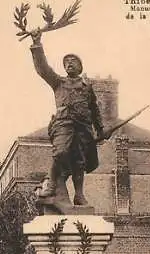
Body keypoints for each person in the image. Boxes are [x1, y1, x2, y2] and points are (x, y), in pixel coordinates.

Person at [29, 28, 105, 206]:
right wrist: (37, 45)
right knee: (60, 152)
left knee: (79, 161)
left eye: (73, 61)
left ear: (80, 67)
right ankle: (51, 185)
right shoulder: (58, 82)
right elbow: (42, 69)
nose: (69, 63)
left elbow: (94, 109)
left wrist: (100, 129)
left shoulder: (87, 86)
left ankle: (79, 195)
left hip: (83, 127)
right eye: (66, 62)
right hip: (63, 123)